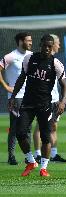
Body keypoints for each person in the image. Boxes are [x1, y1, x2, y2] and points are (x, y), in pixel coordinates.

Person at [8, 34, 66, 177]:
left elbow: (64, 84)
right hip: (27, 102)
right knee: (20, 132)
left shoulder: (56, 63)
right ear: (40, 45)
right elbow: (22, 77)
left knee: (46, 138)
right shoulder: (29, 58)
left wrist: (63, 101)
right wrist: (13, 96)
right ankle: (31, 161)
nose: (47, 48)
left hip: (45, 105)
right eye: (44, 45)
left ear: (52, 47)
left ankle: (44, 168)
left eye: (49, 46)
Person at [33, 34, 66, 163]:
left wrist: (62, 100)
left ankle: (54, 154)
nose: (59, 45)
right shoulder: (38, 59)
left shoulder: (55, 61)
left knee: (53, 127)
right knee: (40, 126)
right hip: (43, 99)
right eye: (58, 43)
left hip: (54, 98)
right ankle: (37, 154)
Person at [0, 32, 32, 165]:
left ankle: (28, 156)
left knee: (28, 127)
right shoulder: (11, 56)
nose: (30, 42)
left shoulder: (31, 56)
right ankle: (11, 156)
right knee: (15, 127)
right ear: (20, 41)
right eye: (28, 40)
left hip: (30, 97)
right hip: (16, 97)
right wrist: (6, 87)